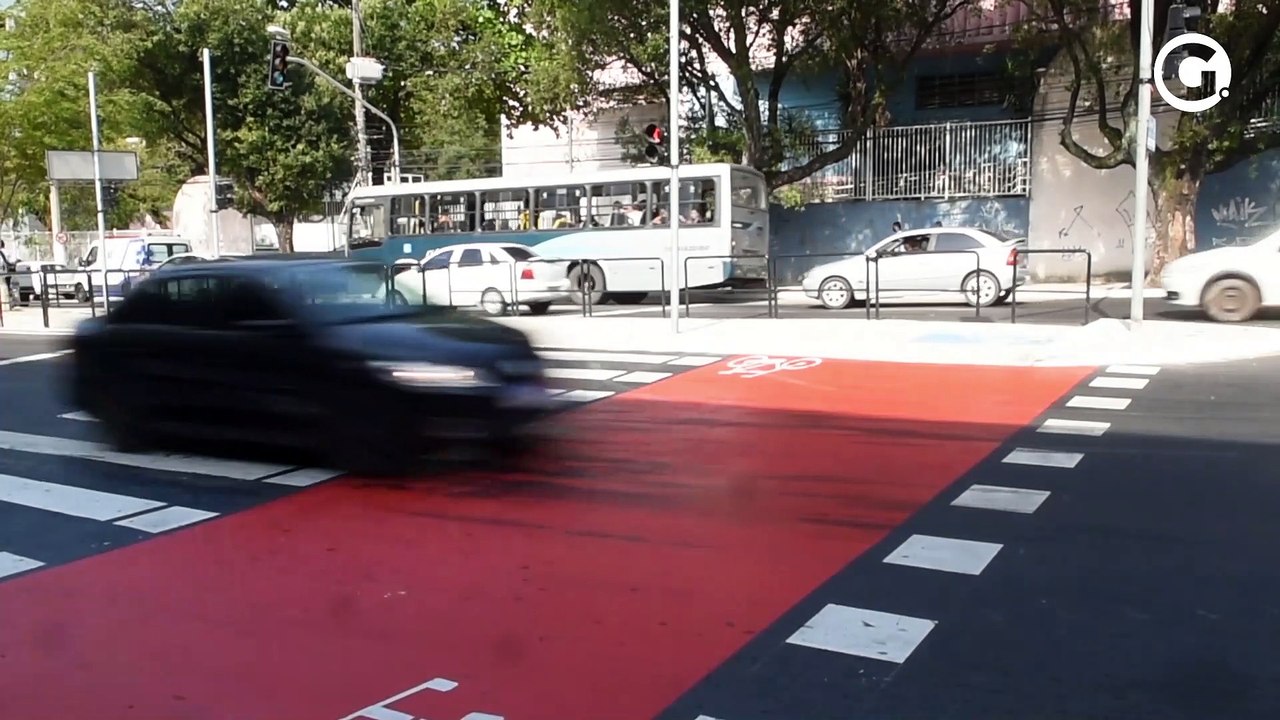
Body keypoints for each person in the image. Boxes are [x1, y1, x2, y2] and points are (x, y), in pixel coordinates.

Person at [0, 240, 15, 310]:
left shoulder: (2, 252)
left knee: (3, 287)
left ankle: (5, 305)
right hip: (6, 271)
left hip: (2, 272)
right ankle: (6, 305)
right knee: (6, 287)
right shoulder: (6, 252)